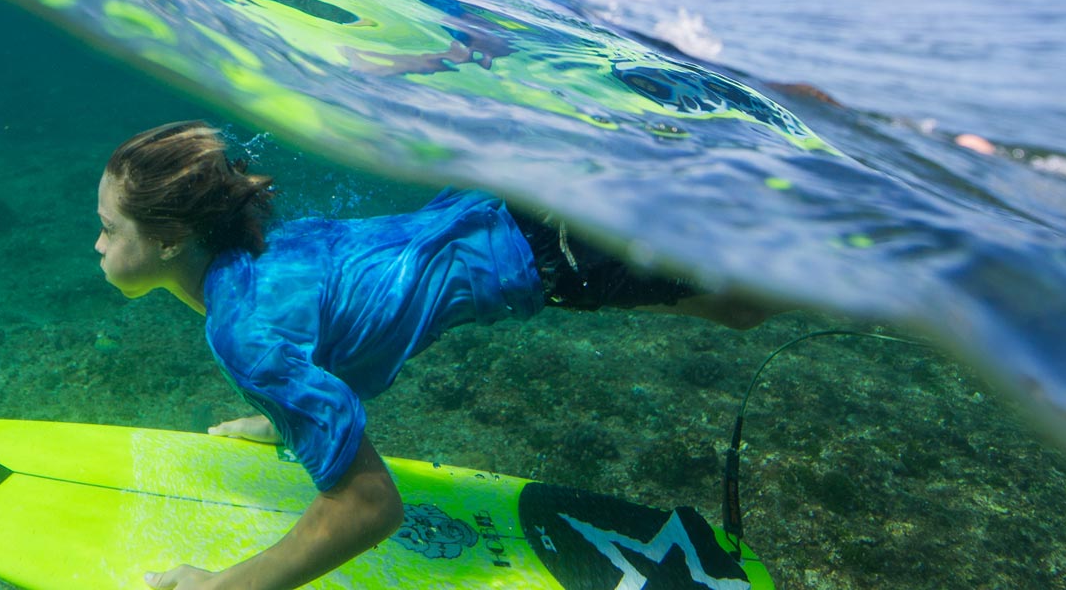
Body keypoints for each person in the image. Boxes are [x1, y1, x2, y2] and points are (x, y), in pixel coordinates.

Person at [95, 121, 777, 590]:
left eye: (108, 228)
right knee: (733, 289)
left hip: (553, 247)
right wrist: (289, 416)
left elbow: (368, 506)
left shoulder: (242, 331)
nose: (97, 245)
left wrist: (226, 586)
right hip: (516, 208)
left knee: (746, 302)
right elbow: (328, 334)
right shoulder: (257, 260)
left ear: (169, 241)